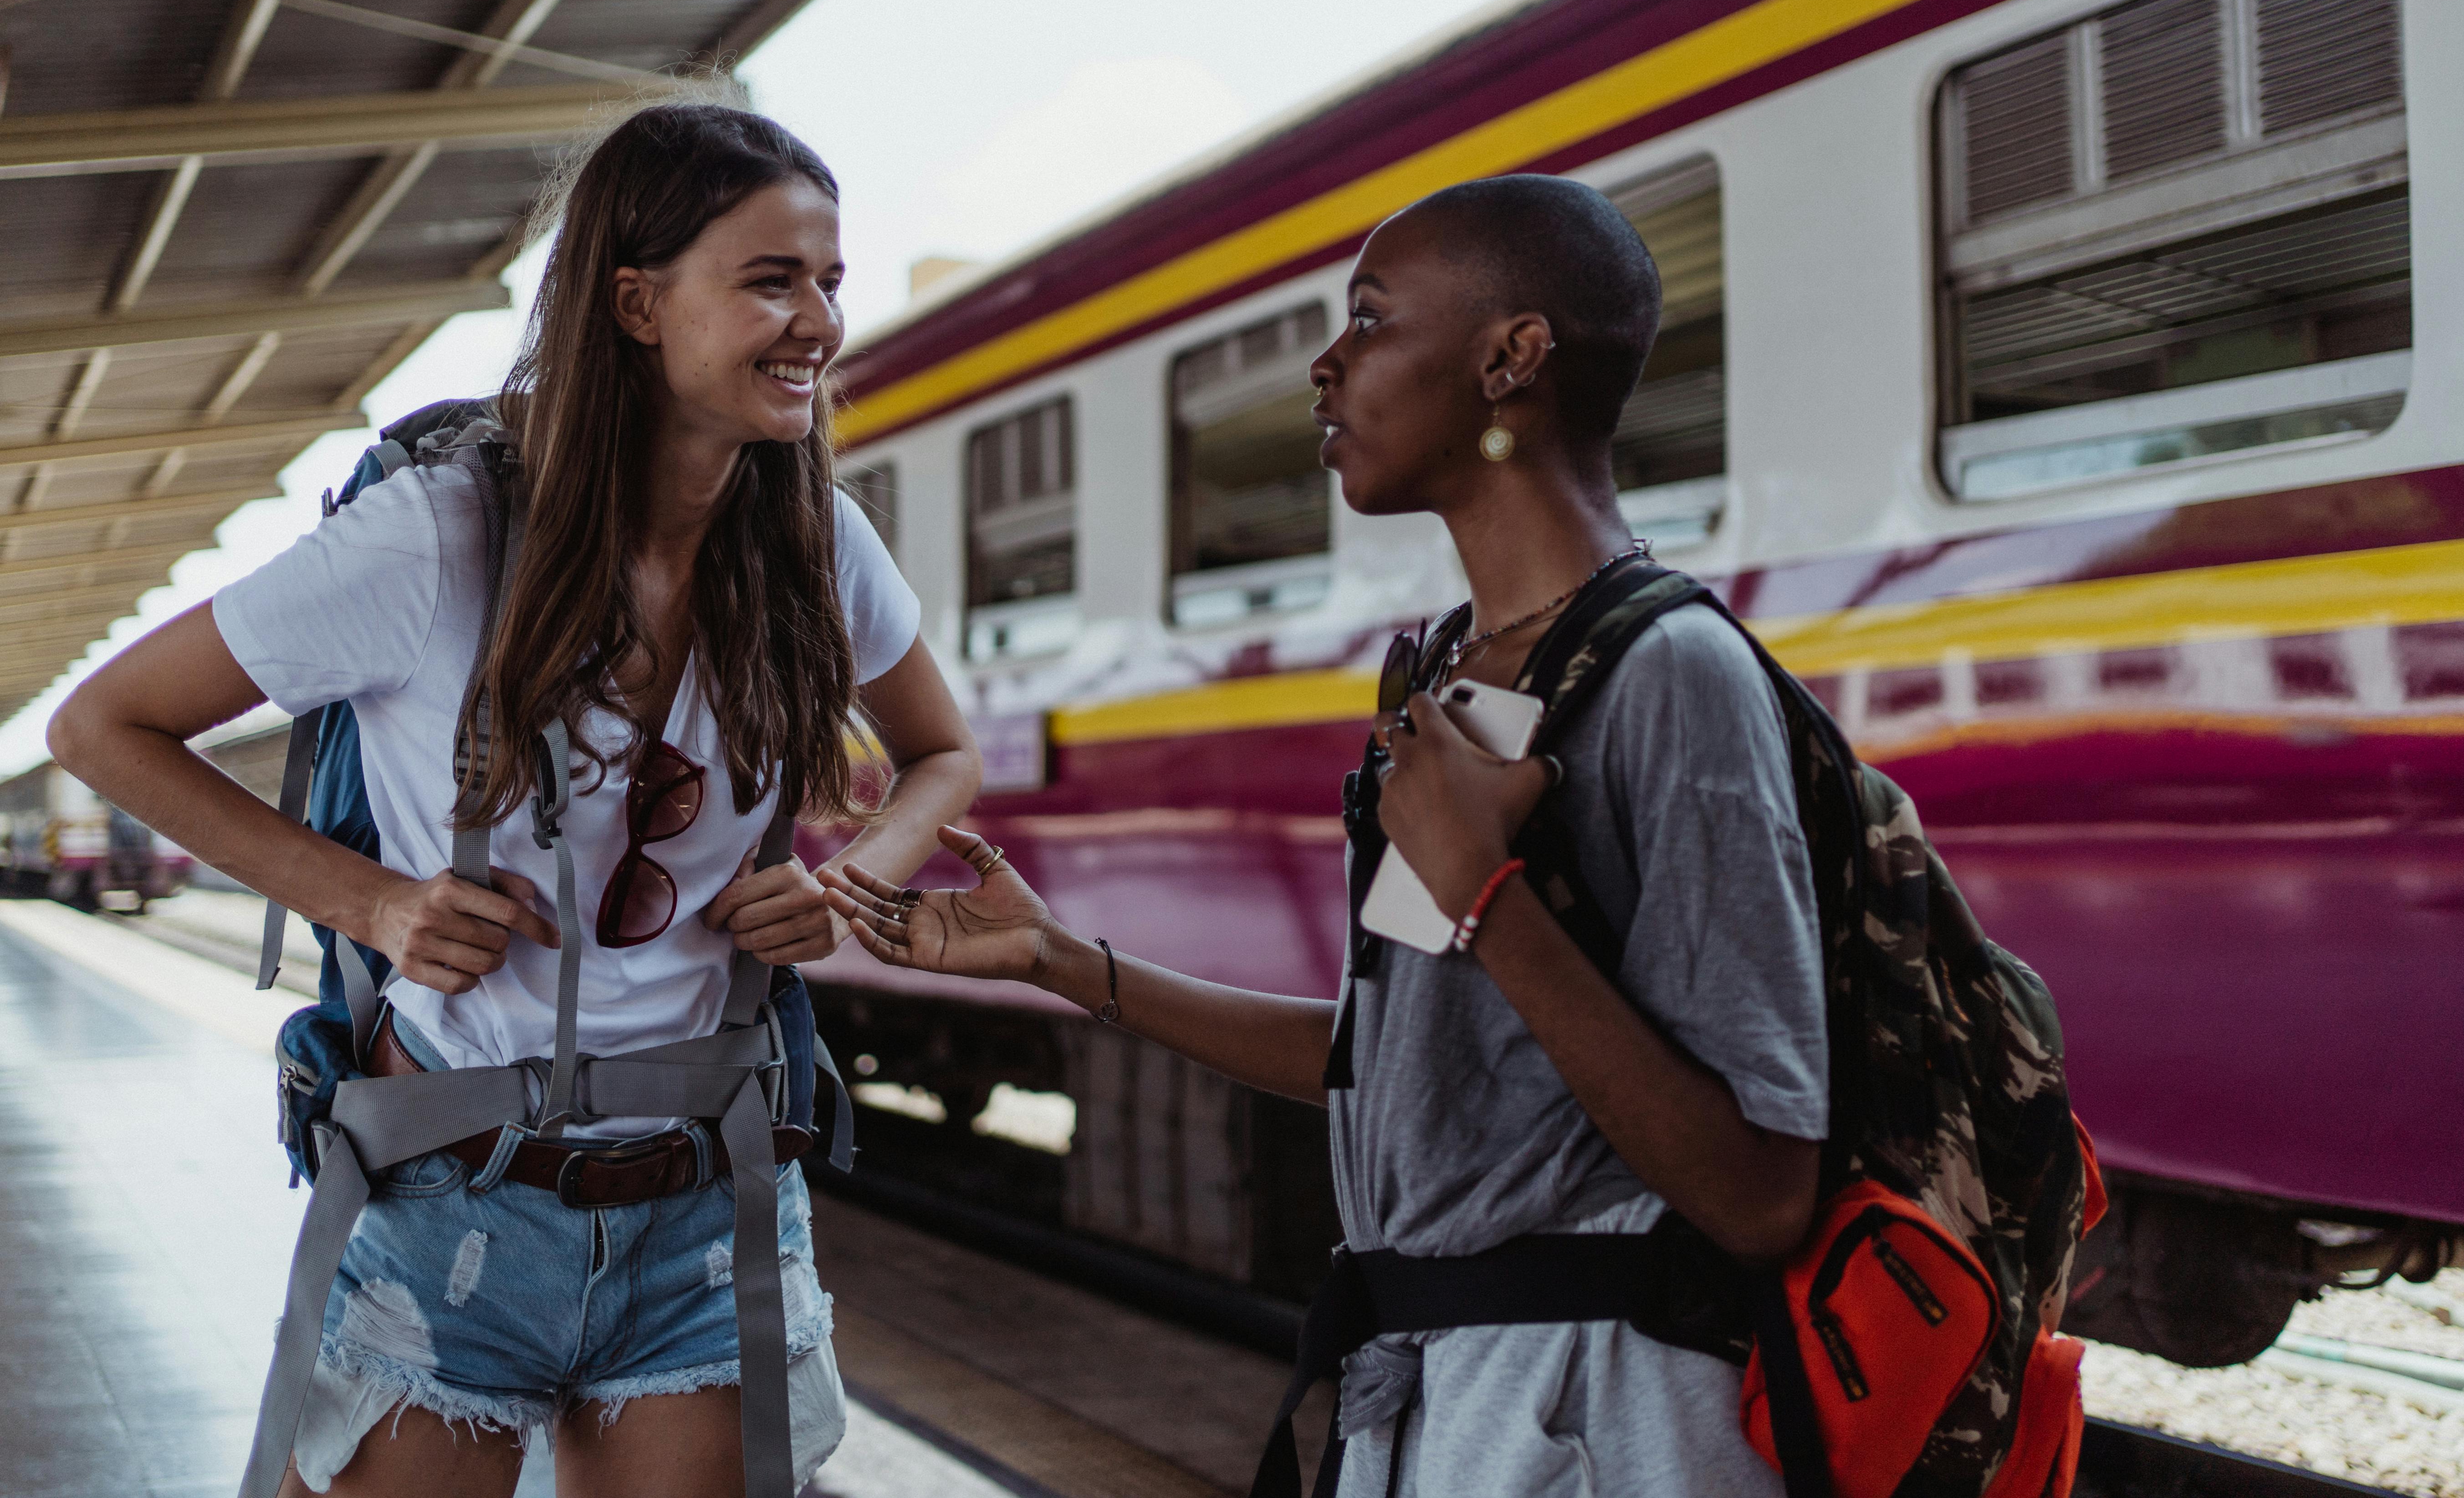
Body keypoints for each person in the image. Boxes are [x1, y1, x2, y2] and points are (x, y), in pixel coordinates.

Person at [821, 174, 1828, 1496]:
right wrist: (1064, 965)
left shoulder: (1673, 678)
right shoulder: (1448, 679)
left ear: (1509, 358)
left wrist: (1490, 899)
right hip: (1436, 1397)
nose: (1326, 361)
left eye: (1369, 319)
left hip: (1601, 1412)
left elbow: (1762, 1188)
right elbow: (1392, 1063)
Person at [47, 104, 984, 1498]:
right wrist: (368, 900)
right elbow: (101, 724)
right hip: (451, 1207)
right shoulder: (438, 536)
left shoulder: (813, 543)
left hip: (708, 1209)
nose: (819, 325)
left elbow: (941, 757)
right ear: (637, 303)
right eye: (773, 282)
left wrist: (855, 876)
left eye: (831, 283)